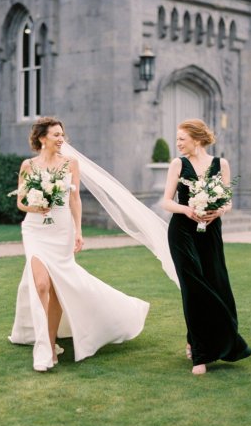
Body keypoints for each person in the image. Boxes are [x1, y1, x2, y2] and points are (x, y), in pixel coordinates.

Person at [8, 117, 150, 372]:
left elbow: (75, 200)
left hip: (62, 229)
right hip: (34, 229)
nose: (61, 139)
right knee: (40, 284)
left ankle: (51, 345)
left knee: (60, 284)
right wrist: (35, 206)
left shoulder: (70, 163)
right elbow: (20, 202)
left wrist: (79, 231)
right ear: (42, 138)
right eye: (55, 135)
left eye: (62, 134)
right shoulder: (28, 165)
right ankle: (43, 346)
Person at [162, 119, 251, 375]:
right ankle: (200, 355)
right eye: (177, 139)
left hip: (210, 231)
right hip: (182, 232)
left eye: (181, 138)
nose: (177, 143)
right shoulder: (177, 164)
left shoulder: (220, 164)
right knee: (193, 288)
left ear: (197, 139)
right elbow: (166, 202)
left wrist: (219, 209)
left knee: (215, 284)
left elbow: (228, 201)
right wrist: (187, 210)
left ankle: (204, 340)